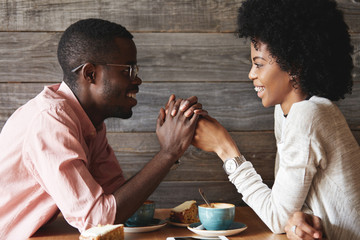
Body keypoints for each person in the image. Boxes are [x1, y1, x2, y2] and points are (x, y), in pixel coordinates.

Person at [0, 18, 205, 239]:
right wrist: (168, 152)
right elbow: (97, 220)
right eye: (128, 70)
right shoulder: (51, 122)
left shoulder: (89, 123)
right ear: (90, 74)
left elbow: (116, 200)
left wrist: (172, 145)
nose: (138, 80)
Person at [192, 0, 360, 239]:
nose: (251, 74)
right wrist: (299, 221)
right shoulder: (287, 112)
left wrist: (225, 149)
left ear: (294, 67)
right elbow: (288, 212)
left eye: (259, 64)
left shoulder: (308, 115)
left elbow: (276, 218)